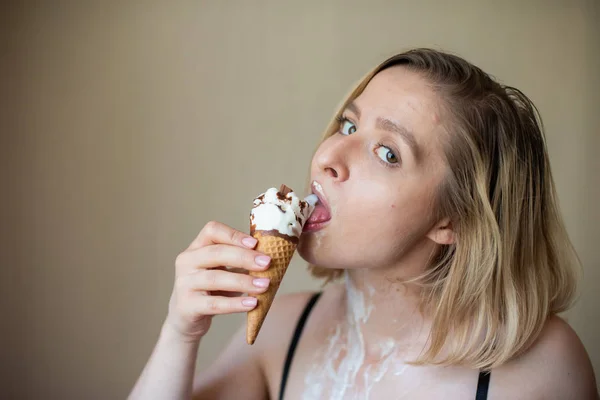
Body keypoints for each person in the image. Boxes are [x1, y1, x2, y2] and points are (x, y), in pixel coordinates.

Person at [129, 48, 599, 399]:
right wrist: (179, 333)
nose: (330, 156)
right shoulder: (284, 330)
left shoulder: (543, 367)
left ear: (452, 218)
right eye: (349, 126)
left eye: (388, 153)